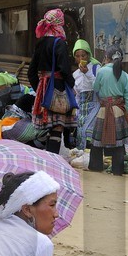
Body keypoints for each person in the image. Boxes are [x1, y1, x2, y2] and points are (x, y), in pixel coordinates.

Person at [28, 8, 77, 154]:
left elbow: (31, 72)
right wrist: (71, 85)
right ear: (59, 23)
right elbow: (65, 69)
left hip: (44, 89)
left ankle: (49, 160)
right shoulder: (59, 43)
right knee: (58, 127)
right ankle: (54, 160)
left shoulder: (40, 43)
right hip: (59, 89)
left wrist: (39, 89)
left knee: (50, 127)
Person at [88, 51, 128, 175]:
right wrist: (127, 113)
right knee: (119, 143)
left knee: (97, 140)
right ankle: (117, 170)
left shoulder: (101, 71)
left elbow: (96, 88)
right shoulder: (124, 75)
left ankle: (95, 167)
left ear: (106, 58)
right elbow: (127, 96)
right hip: (118, 110)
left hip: (104, 110)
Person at [71, 39, 99, 147]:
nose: (81, 58)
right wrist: (76, 110)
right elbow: (77, 93)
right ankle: (83, 156)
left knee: (89, 132)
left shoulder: (96, 67)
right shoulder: (75, 74)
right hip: (82, 108)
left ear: (88, 55)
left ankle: (93, 156)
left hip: (95, 105)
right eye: (77, 56)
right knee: (81, 132)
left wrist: (87, 73)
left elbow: (98, 86)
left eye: (83, 55)